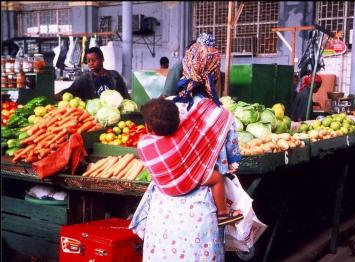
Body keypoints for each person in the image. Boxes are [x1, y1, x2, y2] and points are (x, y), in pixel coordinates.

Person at [130, 32, 241, 261]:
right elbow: (233, 163)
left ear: (186, 68)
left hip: (163, 210)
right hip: (200, 216)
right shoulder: (222, 116)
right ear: (214, 74)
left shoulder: (165, 108)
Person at [140, 97, 243, 226]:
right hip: (186, 182)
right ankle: (222, 214)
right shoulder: (184, 138)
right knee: (217, 178)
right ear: (179, 121)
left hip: (165, 187)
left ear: (148, 127)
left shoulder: (143, 144)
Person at [55, 47, 131, 101]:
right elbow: (69, 91)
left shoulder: (115, 75)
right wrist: (51, 97)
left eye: (94, 60)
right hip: (92, 118)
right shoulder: (84, 79)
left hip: (114, 115)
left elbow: (125, 96)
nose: (91, 63)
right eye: (88, 61)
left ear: (102, 59)